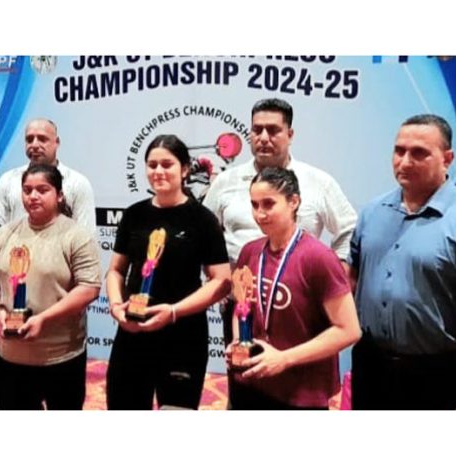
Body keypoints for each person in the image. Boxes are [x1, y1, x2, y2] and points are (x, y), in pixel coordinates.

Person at [349, 114, 456, 410]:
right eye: (399, 151)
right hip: (370, 368)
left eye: (419, 153)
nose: (404, 162)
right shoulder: (371, 213)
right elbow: (350, 281)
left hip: (440, 376)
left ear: (447, 158)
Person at [203, 97, 357, 407]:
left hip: (300, 311)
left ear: (290, 134)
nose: (263, 137)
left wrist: (335, 276)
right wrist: (219, 280)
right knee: (246, 390)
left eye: (273, 130)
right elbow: (207, 233)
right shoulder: (226, 181)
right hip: (244, 306)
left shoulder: (317, 181)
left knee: (294, 395)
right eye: (256, 130)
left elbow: (350, 230)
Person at [105, 134, 231, 410]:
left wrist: (173, 311)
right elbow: (115, 271)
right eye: (152, 165)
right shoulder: (134, 214)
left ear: (185, 169)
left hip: (183, 336)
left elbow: (221, 281)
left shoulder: (202, 219)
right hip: (133, 330)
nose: (158, 171)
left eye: (167, 164)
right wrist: (116, 307)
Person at [225, 167, 361, 409]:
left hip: (301, 393)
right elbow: (241, 307)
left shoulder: (318, 258)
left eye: (268, 204)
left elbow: (349, 330)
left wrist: (284, 359)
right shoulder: (250, 252)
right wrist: (238, 341)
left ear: (293, 202)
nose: (260, 214)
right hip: (253, 382)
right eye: (254, 205)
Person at [0, 163, 101, 409]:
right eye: (27, 189)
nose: (33, 196)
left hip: (61, 354)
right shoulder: (3, 235)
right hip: (10, 355)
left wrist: (44, 319)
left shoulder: (76, 236)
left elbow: (89, 287)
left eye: (42, 189)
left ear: (59, 195)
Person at [0, 118, 97, 232]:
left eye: (42, 139)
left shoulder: (77, 183)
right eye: (29, 140)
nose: (34, 145)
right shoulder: (8, 180)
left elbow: (86, 237)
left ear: (57, 142)